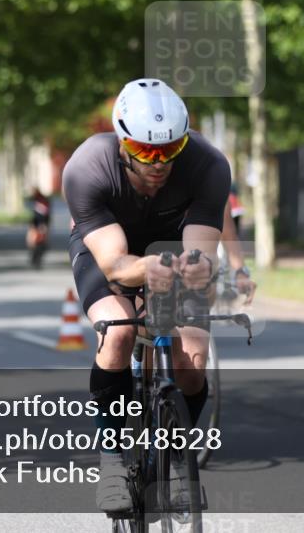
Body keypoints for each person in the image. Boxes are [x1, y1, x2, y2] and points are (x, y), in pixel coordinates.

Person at [62, 79, 229, 512]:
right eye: (145, 152)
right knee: (117, 334)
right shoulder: (87, 167)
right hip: (105, 249)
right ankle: (113, 461)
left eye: (170, 151)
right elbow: (116, 264)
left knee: (190, 361)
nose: (158, 164)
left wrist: (195, 266)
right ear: (121, 142)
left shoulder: (208, 164)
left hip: (171, 245)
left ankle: (177, 459)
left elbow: (200, 251)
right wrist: (142, 269)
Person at [27, 188, 51, 267]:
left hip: (41, 225)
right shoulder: (36, 202)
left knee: (40, 243)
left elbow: (45, 216)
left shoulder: (43, 202)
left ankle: (37, 259)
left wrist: (44, 225)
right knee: (33, 243)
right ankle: (34, 259)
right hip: (35, 225)